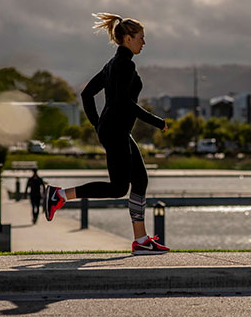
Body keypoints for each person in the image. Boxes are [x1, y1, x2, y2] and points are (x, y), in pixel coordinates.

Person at [44, 13, 169, 255]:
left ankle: (141, 241)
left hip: (115, 130)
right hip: (115, 132)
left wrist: (97, 125)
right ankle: (58, 195)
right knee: (118, 188)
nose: (144, 43)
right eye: (141, 38)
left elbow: (87, 94)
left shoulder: (113, 64)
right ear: (127, 38)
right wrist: (156, 121)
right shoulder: (123, 65)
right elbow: (125, 102)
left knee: (140, 180)